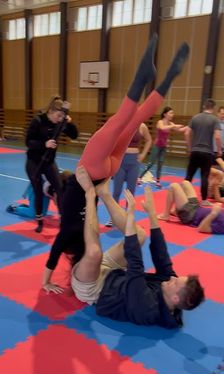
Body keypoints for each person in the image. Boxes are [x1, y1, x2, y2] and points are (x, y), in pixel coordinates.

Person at [43, 34, 190, 293]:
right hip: (94, 171)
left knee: (132, 122)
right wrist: (45, 280)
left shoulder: (91, 236)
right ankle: (144, 76)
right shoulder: (68, 227)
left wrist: (50, 279)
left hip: (106, 174)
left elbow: (65, 244)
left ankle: (166, 80)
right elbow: (56, 249)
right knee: (123, 120)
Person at [68, 168, 204, 328]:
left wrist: (131, 213)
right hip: (113, 273)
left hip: (93, 288)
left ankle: (90, 194)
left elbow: (135, 266)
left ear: (175, 298)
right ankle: (104, 193)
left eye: (175, 283)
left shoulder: (147, 308)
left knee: (94, 253)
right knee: (140, 235)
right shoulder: (171, 290)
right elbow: (162, 259)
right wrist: (152, 214)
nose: (172, 279)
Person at [25, 96, 78, 233]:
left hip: (49, 162)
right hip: (34, 162)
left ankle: (62, 219)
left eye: (62, 116)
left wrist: (69, 123)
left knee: (59, 189)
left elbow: (74, 135)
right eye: (58, 115)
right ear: (50, 111)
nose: (59, 119)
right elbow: (28, 142)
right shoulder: (38, 121)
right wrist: (44, 144)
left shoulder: (59, 123)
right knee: (38, 191)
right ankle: (40, 221)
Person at [105, 123, 152, 227]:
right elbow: (112, 137)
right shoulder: (124, 123)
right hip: (120, 161)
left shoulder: (142, 126)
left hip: (134, 162)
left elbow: (149, 140)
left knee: (130, 192)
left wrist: (143, 154)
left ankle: (129, 217)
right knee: (116, 191)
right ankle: (113, 217)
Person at [158, 180, 224, 234]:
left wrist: (213, 213)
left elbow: (202, 229)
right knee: (186, 183)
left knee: (173, 186)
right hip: (196, 207)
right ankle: (177, 211)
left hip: (190, 216)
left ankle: (166, 215)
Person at [185, 98, 222, 206]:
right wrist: (219, 150)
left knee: (189, 176)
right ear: (213, 108)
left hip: (195, 151)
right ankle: (204, 200)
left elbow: (187, 133)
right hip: (207, 153)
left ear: (204, 106)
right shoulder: (215, 120)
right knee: (204, 176)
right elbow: (218, 137)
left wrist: (189, 147)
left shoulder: (195, 118)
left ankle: (183, 197)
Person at [139, 106, 185, 187]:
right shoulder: (160, 122)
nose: (172, 115)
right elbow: (162, 128)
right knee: (151, 163)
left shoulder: (170, 124)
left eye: (172, 113)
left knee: (160, 163)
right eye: (170, 113)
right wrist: (173, 126)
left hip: (163, 147)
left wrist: (189, 127)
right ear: (165, 114)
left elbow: (180, 130)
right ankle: (140, 177)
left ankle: (158, 181)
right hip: (157, 146)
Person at [6, 170, 72, 219]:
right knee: (33, 215)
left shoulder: (67, 182)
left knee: (43, 214)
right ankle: (14, 208)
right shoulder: (57, 184)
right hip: (36, 188)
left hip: (46, 190)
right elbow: (57, 203)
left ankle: (29, 207)